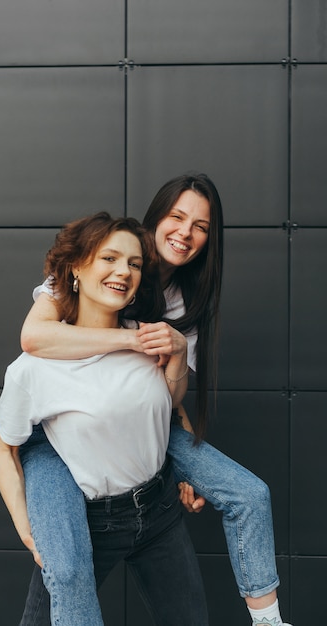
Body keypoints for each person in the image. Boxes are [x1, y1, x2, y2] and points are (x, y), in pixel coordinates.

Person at [20, 172, 292, 626]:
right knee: (64, 571)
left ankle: (268, 621)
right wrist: (127, 342)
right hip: (63, 428)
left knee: (250, 494)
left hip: (144, 426)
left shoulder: (189, 306)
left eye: (201, 226)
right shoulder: (99, 260)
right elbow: (34, 337)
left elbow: (168, 398)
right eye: (176, 216)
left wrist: (185, 465)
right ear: (155, 218)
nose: (185, 233)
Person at [0, 212, 209, 626]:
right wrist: (27, 528)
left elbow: (170, 409)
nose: (123, 271)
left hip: (161, 512)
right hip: (89, 523)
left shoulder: (150, 340)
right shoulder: (33, 368)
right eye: (109, 258)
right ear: (75, 268)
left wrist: (189, 471)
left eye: (133, 263)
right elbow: (5, 448)